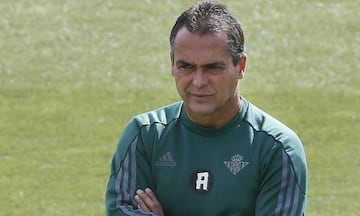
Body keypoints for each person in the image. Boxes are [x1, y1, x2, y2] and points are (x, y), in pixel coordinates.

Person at [105, 1, 308, 215]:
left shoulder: (277, 148)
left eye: (213, 68)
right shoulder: (145, 136)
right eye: (187, 67)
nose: (199, 82)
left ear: (241, 66)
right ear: (173, 65)